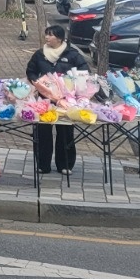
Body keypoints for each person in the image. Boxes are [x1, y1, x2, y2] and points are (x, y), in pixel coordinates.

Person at [26, 24, 91, 175]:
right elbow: (31, 71)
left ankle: (65, 165)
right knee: (42, 132)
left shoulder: (73, 55)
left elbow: (84, 72)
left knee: (65, 131)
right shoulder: (39, 54)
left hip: (66, 101)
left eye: (51, 35)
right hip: (44, 100)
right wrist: (38, 83)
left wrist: (72, 86)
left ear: (60, 38)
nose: (47, 37)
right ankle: (43, 165)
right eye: (46, 34)